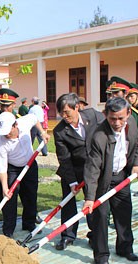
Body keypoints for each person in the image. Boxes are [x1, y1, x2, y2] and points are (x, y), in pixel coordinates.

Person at [83, 97, 138, 264]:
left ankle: (125, 248)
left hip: (122, 178)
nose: (117, 123)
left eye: (121, 118)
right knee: (101, 218)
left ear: (128, 114)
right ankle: (101, 256)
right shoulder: (98, 136)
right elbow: (92, 168)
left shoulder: (131, 124)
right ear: (105, 115)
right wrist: (89, 198)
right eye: (112, 119)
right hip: (104, 181)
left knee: (124, 214)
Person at [53, 93, 105, 250]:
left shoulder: (94, 116)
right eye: (61, 113)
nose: (64, 116)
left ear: (77, 107)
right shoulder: (59, 131)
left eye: (67, 112)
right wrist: (72, 182)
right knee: (68, 203)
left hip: (94, 169)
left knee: (92, 202)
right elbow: (64, 159)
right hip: (73, 170)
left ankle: (94, 235)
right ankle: (68, 235)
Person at [0, 112, 50, 237]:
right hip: (12, 169)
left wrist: (42, 132)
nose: (6, 135)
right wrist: (5, 188)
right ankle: (8, 229)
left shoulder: (24, 123)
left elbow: (35, 118)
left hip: (30, 165)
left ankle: (29, 223)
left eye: (8, 131)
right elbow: (2, 167)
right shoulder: (2, 143)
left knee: (30, 195)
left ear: (15, 125)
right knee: (9, 199)